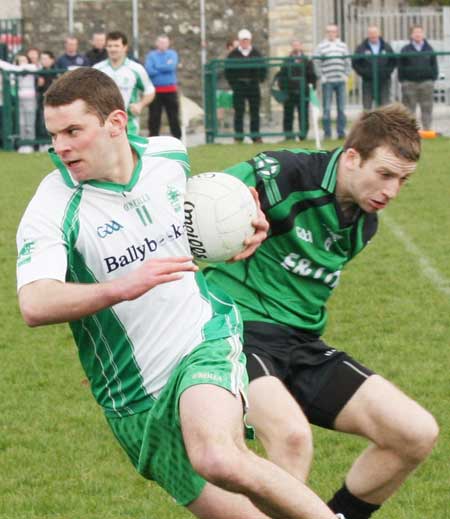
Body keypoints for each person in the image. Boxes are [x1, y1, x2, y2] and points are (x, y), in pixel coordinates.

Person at [16, 66, 338, 519]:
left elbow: (195, 223)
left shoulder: (169, 156)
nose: (61, 147)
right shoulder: (52, 206)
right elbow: (34, 302)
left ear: (116, 123)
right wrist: (120, 288)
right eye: (54, 135)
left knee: (218, 456)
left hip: (202, 340)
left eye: (73, 130)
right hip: (130, 398)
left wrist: (244, 225)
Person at [204, 103, 439, 519]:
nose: (392, 190)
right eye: (384, 174)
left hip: (301, 344)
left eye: (403, 180)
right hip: (234, 328)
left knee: (415, 433)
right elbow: (205, 200)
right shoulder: (284, 175)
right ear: (351, 157)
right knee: (291, 439)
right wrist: (232, 221)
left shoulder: (364, 220)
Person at [94, 31, 155, 135]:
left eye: (116, 46)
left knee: (128, 151)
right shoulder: (97, 69)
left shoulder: (136, 69)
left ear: (125, 48)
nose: (113, 49)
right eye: (109, 46)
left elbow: (150, 90)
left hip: (128, 125)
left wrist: (140, 105)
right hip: (102, 124)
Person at [225, 29, 267, 143]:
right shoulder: (233, 55)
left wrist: (260, 80)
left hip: (253, 85)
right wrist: (234, 84)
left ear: (250, 40)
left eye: (247, 40)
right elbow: (228, 71)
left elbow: (263, 68)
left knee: (255, 111)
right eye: (243, 40)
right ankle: (239, 135)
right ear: (239, 41)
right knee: (239, 111)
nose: (245, 42)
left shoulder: (256, 53)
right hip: (239, 86)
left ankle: (255, 135)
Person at [314, 24, 350, 139]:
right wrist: (321, 76)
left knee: (341, 108)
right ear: (326, 33)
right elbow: (316, 62)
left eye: (333, 31)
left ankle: (341, 132)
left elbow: (348, 61)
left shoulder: (343, 46)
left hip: (340, 80)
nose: (331, 34)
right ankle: (327, 133)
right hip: (327, 81)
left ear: (337, 32)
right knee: (327, 108)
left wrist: (346, 74)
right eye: (329, 31)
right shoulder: (321, 46)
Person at [398, 25, 438, 131]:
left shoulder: (429, 49)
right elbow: (400, 67)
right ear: (411, 35)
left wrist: (432, 79)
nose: (418, 34)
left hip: (426, 83)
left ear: (423, 34)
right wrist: (403, 81)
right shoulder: (405, 49)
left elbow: (434, 65)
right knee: (408, 109)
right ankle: (410, 131)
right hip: (410, 83)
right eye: (415, 32)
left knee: (427, 108)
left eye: (420, 32)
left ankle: (427, 129)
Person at [276, 39, 317, 140]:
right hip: (289, 92)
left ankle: (303, 134)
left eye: (298, 45)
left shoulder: (307, 60)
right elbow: (282, 76)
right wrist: (283, 89)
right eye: (294, 45)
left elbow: (312, 76)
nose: (296, 47)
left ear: (301, 46)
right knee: (288, 114)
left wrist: (310, 89)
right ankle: (288, 134)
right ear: (292, 47)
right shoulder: (287, 60)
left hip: (303, 92)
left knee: (303, 114)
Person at [144, 34, 182, 139]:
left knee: (173, 116)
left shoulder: (172, 54)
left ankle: (177, 138)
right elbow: (149, 70)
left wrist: (157, 67)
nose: (163, 45)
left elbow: (171, 67)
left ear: (168, 44)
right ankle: (153, 139)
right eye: (160, 42)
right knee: (154, 117)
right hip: (155, 91)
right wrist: (164, 67)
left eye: (165, 42)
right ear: (156, 43)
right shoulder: (151, 55)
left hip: (170, 91)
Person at [352, 26, 396, 110]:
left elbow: (393, 61)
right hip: (368, 81)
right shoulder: (361, 48)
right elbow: (355, 63)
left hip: (384, 81)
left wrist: (386, 72)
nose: (373, 36)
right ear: (368, 35)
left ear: (379, 34)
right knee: (367, 106)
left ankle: (383, 123)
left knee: (384, 106)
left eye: (375, 33)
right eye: (371, 34)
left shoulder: (386, 47)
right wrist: (364, 73)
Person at [0, 55, 38, 153]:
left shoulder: (31, 67)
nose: (22, 62)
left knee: (30, 122)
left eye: (24, 60)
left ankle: (30, 143)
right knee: (21, 122)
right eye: (20, 61)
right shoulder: (15, 70)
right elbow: (12, 75)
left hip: (30, 99)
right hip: (19, 99)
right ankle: (23, 144)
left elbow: (17, 68)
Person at [36, 50, 57, 151]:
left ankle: (52, 142)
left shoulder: (57, 72)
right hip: (42, 102)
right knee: (42, 122)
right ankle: (42, 143)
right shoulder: (39, 73)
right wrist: (38, 85)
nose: (43, 61)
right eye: (42, 59)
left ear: (52, 60)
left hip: (56, 103)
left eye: (45, 58)